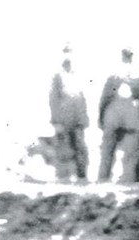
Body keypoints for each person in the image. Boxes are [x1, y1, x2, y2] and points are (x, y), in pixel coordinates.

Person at [97, 46, 139, 182]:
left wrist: (101, 117)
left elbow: (105, 98)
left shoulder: (113, 73)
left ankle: (103, 181)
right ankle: (128, 182)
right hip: (132, 117)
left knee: (107, 152)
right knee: (130, 154)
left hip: (113, 115)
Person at [48, 45, 89, 181]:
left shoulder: (78, 76)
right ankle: (63, 177)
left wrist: (84, 118)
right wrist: (56, 121)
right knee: (64, 149)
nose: (68, 59)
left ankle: (82, 177)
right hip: (63, 118)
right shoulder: (58, 76)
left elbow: (82, 97)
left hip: (77, 118)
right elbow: (53, 99)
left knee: (80, 148)